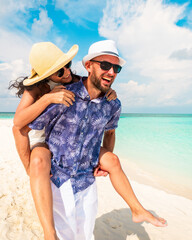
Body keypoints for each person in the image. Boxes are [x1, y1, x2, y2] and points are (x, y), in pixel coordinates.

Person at [27, 40, 167, 240]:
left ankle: (137, 210)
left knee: (85, 235)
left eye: (116, 68)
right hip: (58, 179)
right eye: (105, 65)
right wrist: (30, 167)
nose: (111, 72)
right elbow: (27, 127)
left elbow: (109, 133)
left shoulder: (113, 104)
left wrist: (104, 163)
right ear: (88, 66)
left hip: (86, 181)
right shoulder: (63, 95)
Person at [9, 41, 118, 240]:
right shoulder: (36, 89)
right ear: (47, 75)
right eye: (59, 72)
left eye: (67, 65)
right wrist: (47, 98)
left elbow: (93, 84)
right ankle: (49, 234)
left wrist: (108, 92)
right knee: (38, 161)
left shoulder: (72, 79)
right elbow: (18, 125)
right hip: (38, 137)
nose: (67, 73)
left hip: (59, 138)